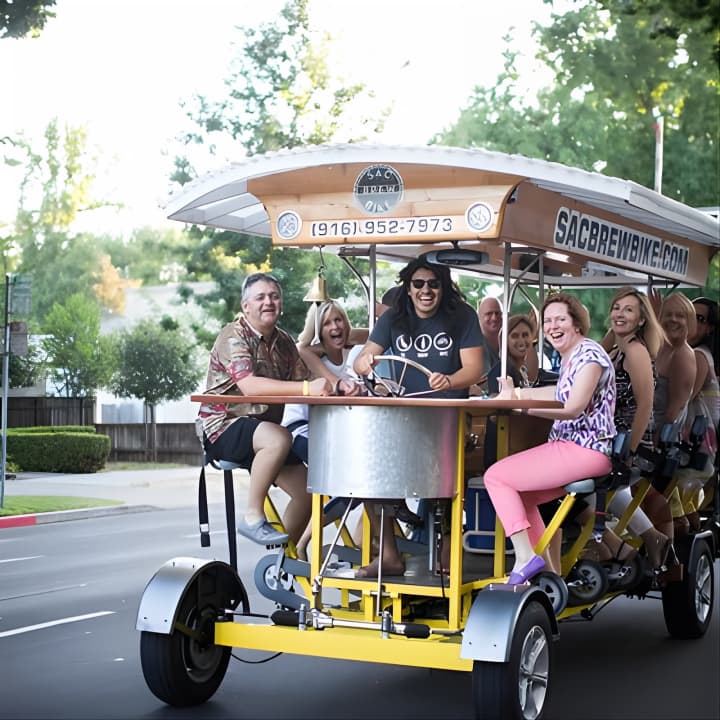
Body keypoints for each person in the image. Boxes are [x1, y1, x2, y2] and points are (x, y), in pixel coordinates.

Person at [352, 257, 484, 577]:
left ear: (443, 287)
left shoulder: (462, 316)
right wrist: (367, 363)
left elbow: (475, 368)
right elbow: (361, 361)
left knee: (449, 479)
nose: (426, 290)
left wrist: (450, 381)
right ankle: (388, 555)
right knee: (368, 473)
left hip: (447, 417)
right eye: (419, 284)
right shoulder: (395, 317)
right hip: (402, 416)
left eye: (433, 284)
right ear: (408, 289)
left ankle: (448, 548)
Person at [484, 292, 616, 584]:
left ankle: (525, 556)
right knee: (521, 494)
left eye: (560, 319)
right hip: (572, 447)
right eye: (547, 321)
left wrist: (520, 405)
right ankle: (549, 573)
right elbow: (558, 393)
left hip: (584, 448)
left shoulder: (590, 356)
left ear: (577, 323)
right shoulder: (572, 356)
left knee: (496, 476)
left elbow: (571, 407)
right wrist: (516, 393)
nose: (553, 326)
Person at [199, 272, 332, 546]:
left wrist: (338, 387)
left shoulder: (283, 341)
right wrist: (309, 390)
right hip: (224, 426)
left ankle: (285, 558)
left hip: (264, 431)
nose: (268, 302)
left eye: (274, 296)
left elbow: (304, 379)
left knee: (309, 491)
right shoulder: (233, 335)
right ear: (246, 306)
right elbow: (249, 386)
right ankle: (253, 517)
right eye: (260, 297)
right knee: (279, 437)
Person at [588, 287, 672, 570]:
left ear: (641, 320)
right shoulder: (616, 348)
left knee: (579, 488)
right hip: (609, 436)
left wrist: (628, 451)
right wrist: (617, 327)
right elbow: (594, 355)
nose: (619, 314)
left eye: (628, 310)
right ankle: (649, 536)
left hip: (628, 440)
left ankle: (608, 544)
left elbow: (645, 404)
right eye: (616, 308)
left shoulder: (635, 351)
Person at [281, 299, 366, 558]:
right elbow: (302, 347)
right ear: (318, 330)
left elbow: (374, 332)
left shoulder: (352, 354)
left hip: (333, 432)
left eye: (338, 320)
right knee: (351, 480)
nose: (335, 326)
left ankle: (307, 541)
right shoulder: (311, 358)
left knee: (363, 483)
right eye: (327, 323)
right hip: (301, 428)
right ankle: (302, 543)